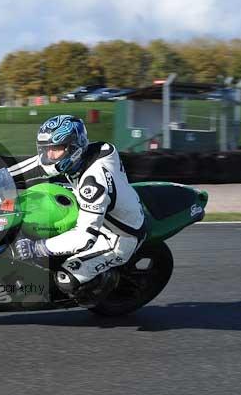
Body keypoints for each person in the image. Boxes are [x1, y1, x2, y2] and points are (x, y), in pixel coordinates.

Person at [8, 114, 146, 301]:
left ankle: (102, 285)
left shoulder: (93, 184)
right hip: (97, 206)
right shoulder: (96, 149)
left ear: (73, 148)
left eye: (55, 149)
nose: (49, 155)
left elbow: (84, 238)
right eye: (46, 149)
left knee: (65, 279)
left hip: (116, 236)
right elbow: (35, 165)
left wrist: (36, 248)